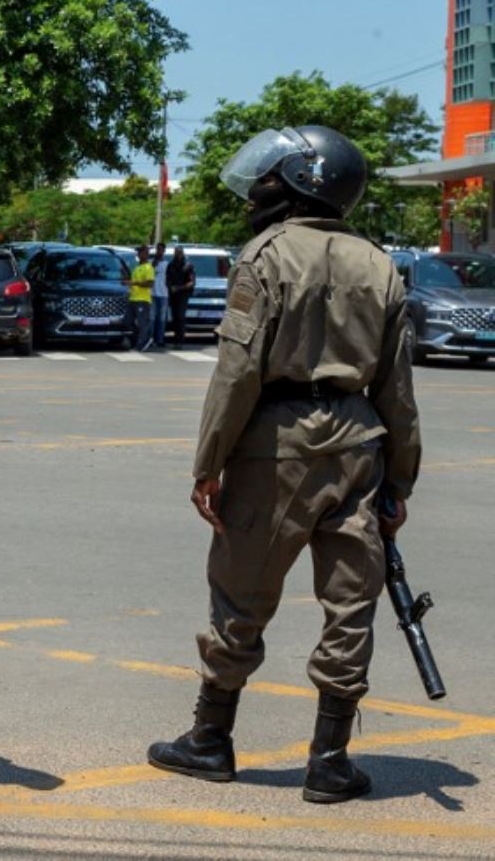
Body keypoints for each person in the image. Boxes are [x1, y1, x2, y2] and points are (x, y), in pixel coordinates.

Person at [147, 126, 421, 806]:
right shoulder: (380, 265)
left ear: (302, 181)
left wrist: (208, 463)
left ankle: (210, 740)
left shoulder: (264, 255)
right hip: (360, 444)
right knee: (351, 605)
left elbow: (238, 373)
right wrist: (401, 480)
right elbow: (398, 388)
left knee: (240, 595)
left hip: (277, 444)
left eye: (271, 178)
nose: (257, 191)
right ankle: (329, 761)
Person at [165, 246, 195, 348]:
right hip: (173, 294)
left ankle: (180, 340)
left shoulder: (188, 266)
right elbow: (167, 279)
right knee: (174, 317)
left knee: (180, 316)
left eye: (180, 253)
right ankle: (176, 339)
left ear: (183, 254)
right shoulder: (171, 265)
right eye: (176, 253)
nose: (178, 255)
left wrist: (179, 288)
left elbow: (191, 282)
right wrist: (170, 287)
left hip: (183, 294)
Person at [129, 245, 156, 352]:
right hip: (133, 298)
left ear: (146, 254)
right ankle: (141, 338)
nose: (139, 254)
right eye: (138, 252)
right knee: (127, 321)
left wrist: (134, 283)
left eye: (141, 252)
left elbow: (150, 283)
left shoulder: (148, 268)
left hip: (143, 299)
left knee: (142, 323)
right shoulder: (136, 267)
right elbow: (132, 282)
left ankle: (143, 342)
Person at [150, 241, 170, 348]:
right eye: (158, 250)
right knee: (152, 318)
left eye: (161, 250)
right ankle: (151, 338)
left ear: (164, 251)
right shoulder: (151, 262)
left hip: (163, 294)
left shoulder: (167, 264)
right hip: (152, 293)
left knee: (161, 319)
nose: (159, 252)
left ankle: (160, 339)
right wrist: (154, 263)